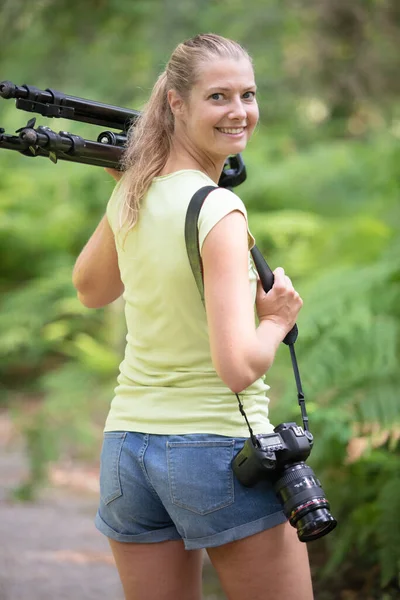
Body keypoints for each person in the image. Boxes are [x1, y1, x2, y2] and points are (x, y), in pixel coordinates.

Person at [72, 33, 313, 600]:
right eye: (218, 96)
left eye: (248, 95)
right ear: (176, 103)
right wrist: (277, 320)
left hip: (128, 450)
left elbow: (89, 288)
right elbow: (237, 368)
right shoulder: (218, 207)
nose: (239, 112)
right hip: (215, 449)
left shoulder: (135, 189)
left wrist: (129, 186)